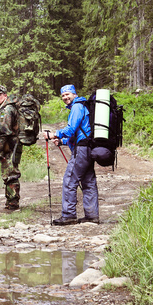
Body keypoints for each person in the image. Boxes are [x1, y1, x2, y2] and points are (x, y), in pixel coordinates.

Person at [50, 84, 98, 225]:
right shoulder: (83, 105)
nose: (65, 97)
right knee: (88, 182)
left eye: (68, 94)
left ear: (74, 94)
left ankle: (69, 214)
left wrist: (54, 134)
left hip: (82, 150)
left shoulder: (77, 106)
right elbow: (79, 133)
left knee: (70, 180)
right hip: (88, 148)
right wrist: (62, 141)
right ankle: (92, 215)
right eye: (63, 95)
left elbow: (71, 129)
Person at [0, 84, 22, 211]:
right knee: (10, 172)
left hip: (9, 146)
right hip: (11, 145)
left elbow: (5, 132)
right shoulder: (4, 108)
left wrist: (0, 150)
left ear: (5, 95)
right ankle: (11, 201)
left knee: (10, 174)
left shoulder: (6, 110)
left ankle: (13, 202)